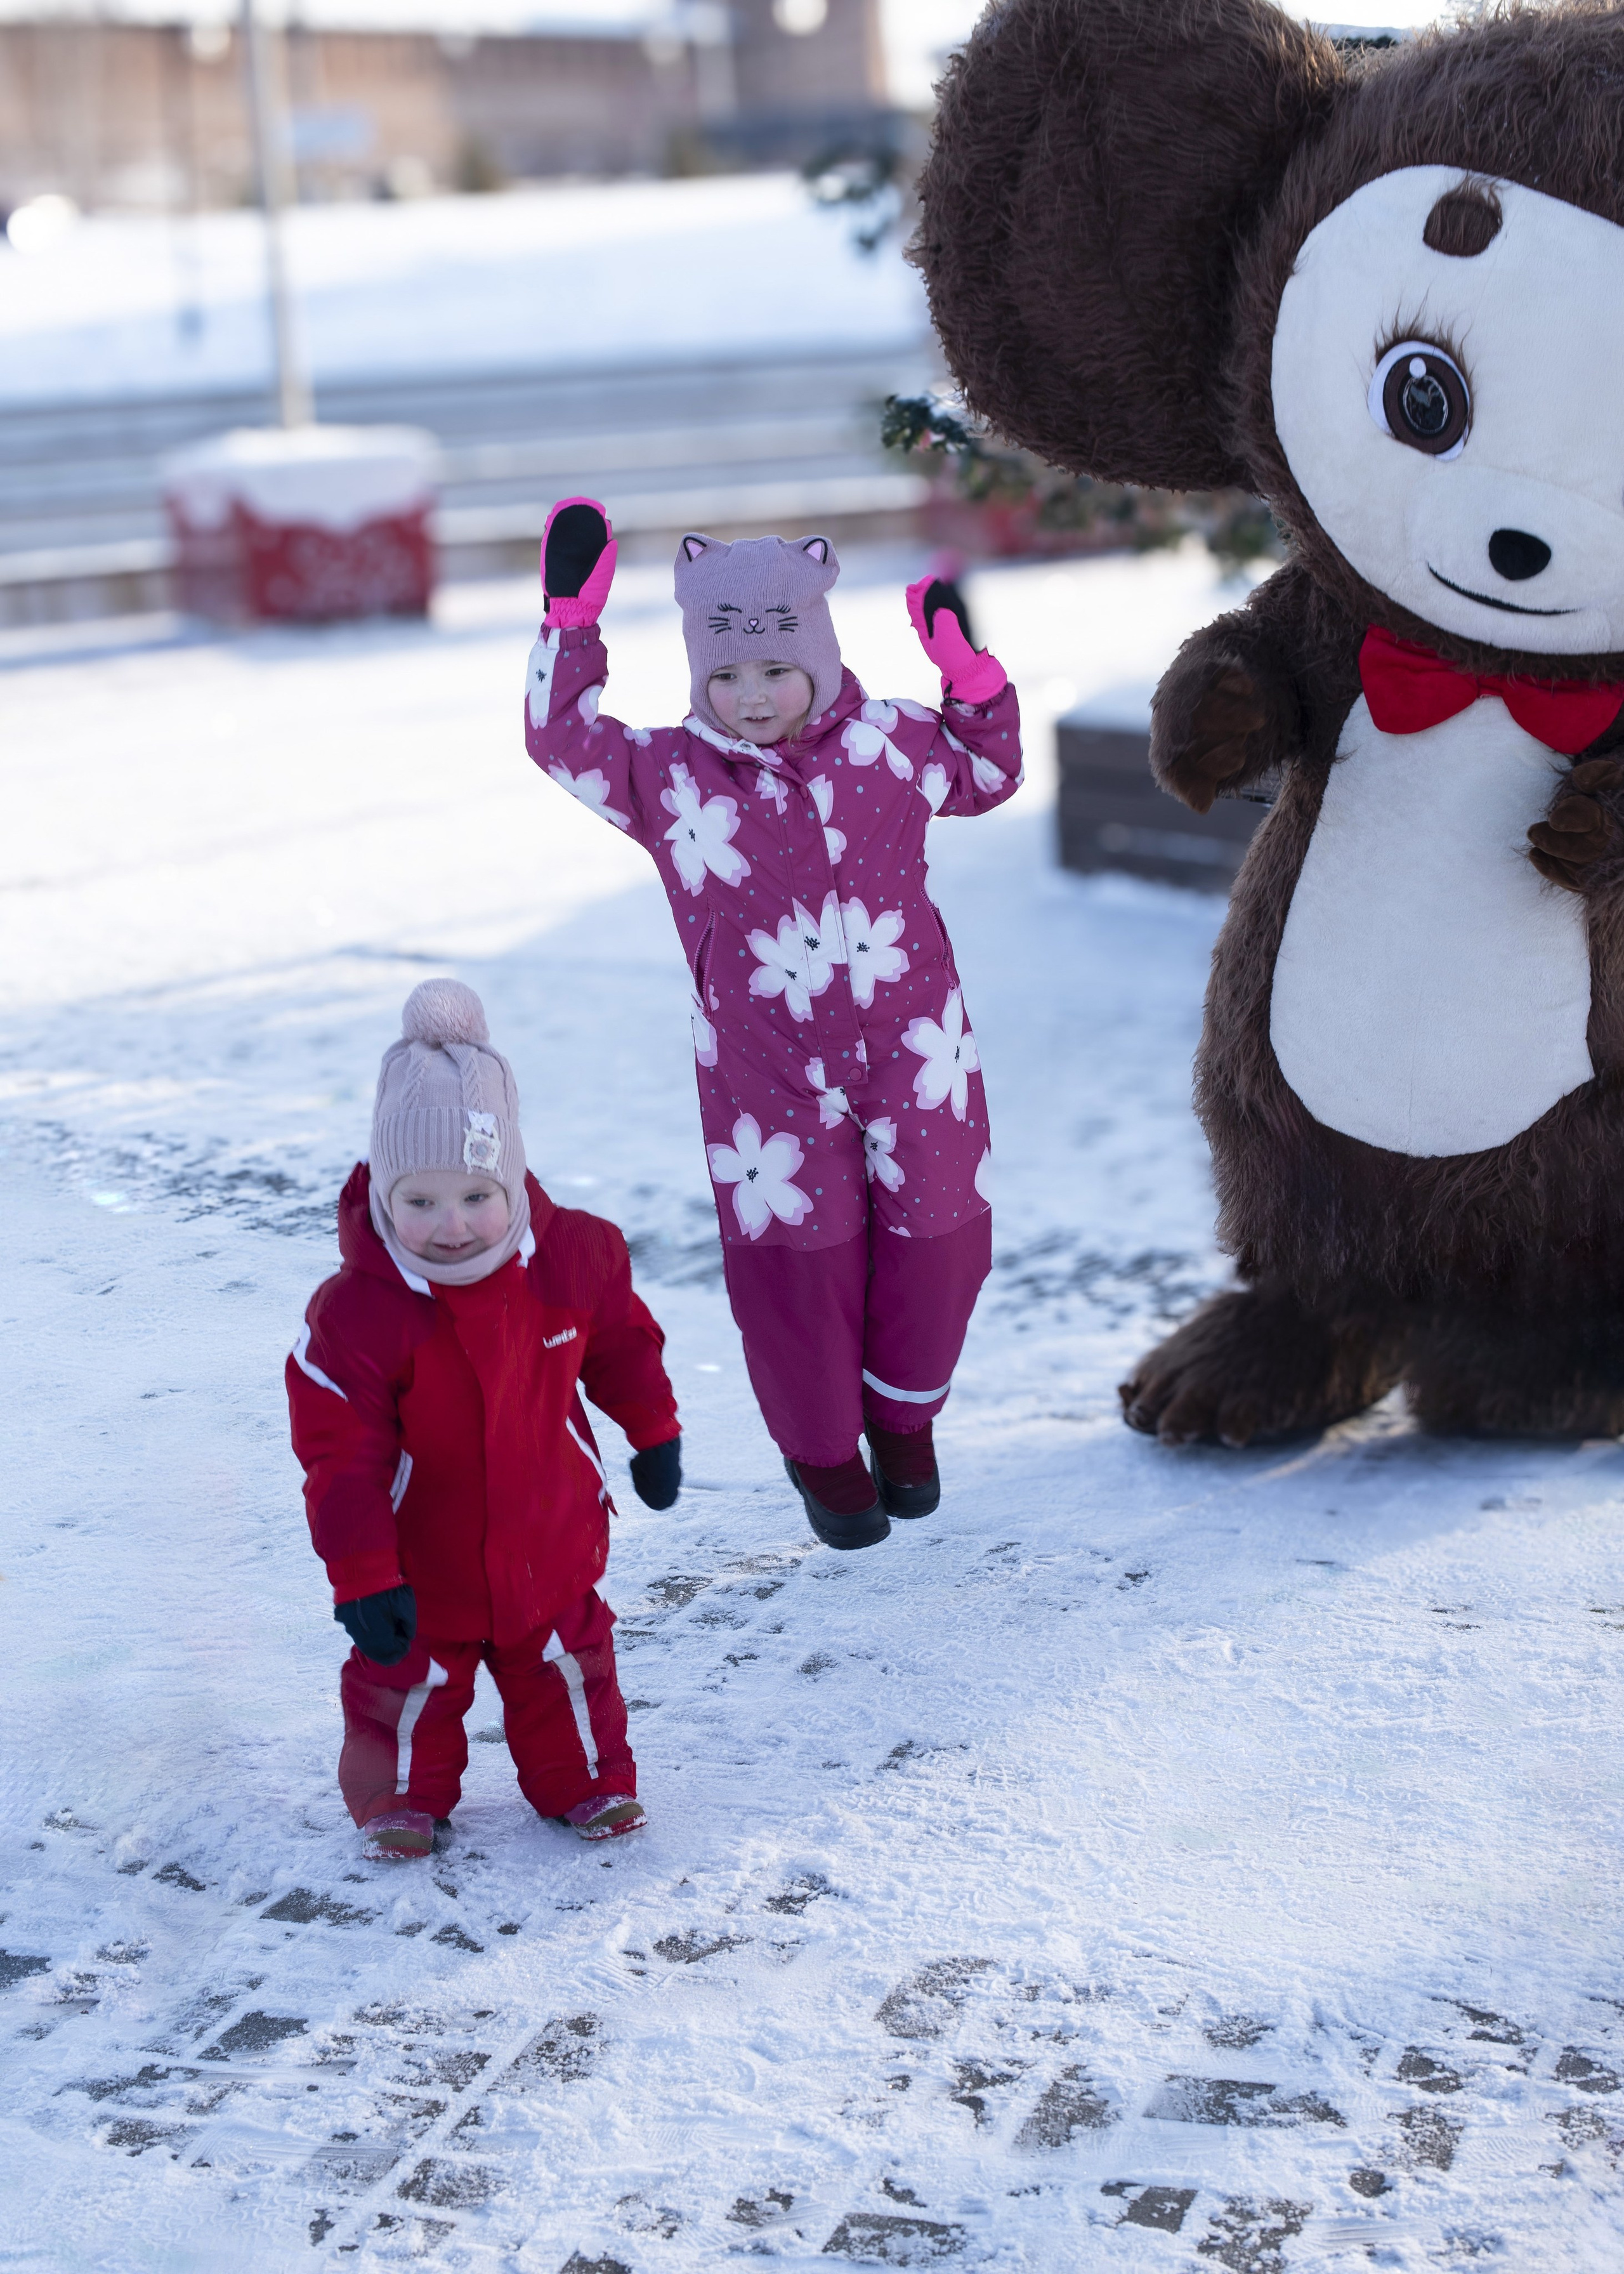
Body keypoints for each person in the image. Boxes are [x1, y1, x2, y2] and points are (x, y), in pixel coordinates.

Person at [523, 498, 1022, 1551]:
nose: (750, 696)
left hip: (916, 1051)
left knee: (940, 1238)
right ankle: (825, 1451)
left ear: (820, 657)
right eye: (726, 676)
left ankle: (904, 1418)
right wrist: (572, 625)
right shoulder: (670, 776)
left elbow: (989, 771)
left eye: (774, 669)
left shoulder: (892, 745)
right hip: (767, 1077)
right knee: (803, 1262)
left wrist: (971, 679)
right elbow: (561, 740)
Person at [287, 978, 681, 1862]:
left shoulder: (572, 1258)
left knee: (567, 1667)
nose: (452, 1226)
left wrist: (653, 1429)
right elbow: (340, 1455)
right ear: (384, 1196)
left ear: (511, 1179)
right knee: (407, 1687)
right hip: (419, 1562)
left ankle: (589, 1782)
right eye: (420, 1202)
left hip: (550, 1536)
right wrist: (363, 1576)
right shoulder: (357, 1315)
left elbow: (621, 1343)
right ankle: (399, 1799)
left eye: (475, 1196)